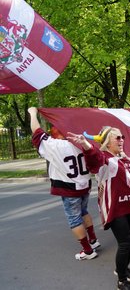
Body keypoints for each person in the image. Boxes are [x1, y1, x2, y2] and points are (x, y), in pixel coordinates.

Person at [67, 127, 130, 290]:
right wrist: (86, 144)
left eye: (122, 137)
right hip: (115, 208)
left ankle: (121, 267)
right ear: (107, 142)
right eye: (117, 138)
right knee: (125, 242)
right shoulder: (104, 159)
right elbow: (94, 158)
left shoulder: (123, 158)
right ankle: (121, 280)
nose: (121, 140)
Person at [28, 107, 100, 261]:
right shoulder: (81, 143)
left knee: (74, 219)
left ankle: (87, 250)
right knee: (84, 211)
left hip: (69, 188)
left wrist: (33, 113)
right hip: (85, 184)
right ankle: (93, 240)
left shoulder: (55, 145)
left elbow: (36, 131)